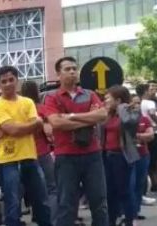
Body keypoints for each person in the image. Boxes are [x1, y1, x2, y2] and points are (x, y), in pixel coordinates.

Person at [42, 57, 109, 226]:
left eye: (74, 68)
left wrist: (71, 116)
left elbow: (102, 115)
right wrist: (89, 119)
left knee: (99, 201)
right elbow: (56, 123)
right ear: (58, 74)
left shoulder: (89, 94)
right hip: (66, 156)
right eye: (67, 69)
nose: (72, 71)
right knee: (67, 204)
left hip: (92, 154)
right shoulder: (52, 97)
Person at [0, 66, 52, 226]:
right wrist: (31, 124)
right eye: (4, 81)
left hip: (30, 157)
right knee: (13, 206)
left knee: (42, 202)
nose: (8, 84)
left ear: (17, 80)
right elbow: (14, 129)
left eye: (11, 80)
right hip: (7, 161)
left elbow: (17, 128)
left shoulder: (28, 102)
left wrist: (15, 128)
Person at [101, 86, 141, 226]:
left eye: (108, 98)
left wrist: (122, 107)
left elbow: (128, 123)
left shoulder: (132, 111)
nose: (105, 100)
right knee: (109, 191)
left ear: (118, 100)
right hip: (107, 155)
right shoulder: (107, 113)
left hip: (122, 156)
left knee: (124, 190)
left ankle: (129, 219)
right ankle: (111, 220)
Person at [21, 80, 56, 222]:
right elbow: (49, 133)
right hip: (42, 152)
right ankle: (51, 219)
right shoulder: (41, 109)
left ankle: (37, 216)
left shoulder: (20, 110)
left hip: (25, 153)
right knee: (51, 188)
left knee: (33, 189)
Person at [137, 83, 157, 196]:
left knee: (149, 159)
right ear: (145, 91)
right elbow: (152, 114)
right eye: (150, 89)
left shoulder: (139, 103)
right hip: (154, 132)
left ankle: (153, 183)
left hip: (143, 131)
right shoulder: (149, 103)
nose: (153, 91)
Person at [130, 94, 155, 220]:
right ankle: (126, 211)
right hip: (127, 156)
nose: (136, 105)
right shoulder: (124, 119)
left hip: (143, 154)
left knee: (140, 183)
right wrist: (142, 135)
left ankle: (135, 211)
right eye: (133, 103)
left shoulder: (144, 119)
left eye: (138, 103)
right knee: (130, 184)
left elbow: (151, 135)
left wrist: (137, 136)